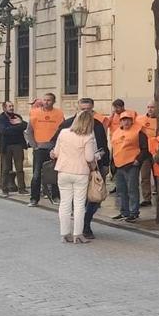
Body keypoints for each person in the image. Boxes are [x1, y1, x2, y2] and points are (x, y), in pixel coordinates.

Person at [53, 98, 109, 239]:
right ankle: (79, 233)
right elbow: (90, 157)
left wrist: (106, 163)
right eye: (83, 109)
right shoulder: (82, 133)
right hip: (82, 171)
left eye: (88, 109)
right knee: (79, 204)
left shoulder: (67, 131)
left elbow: (56, 152)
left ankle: (66, 232)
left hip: (65, 170)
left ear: (92, 109)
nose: (85, 112)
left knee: (72, 202)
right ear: (77, 110)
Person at [27, 94, 64, 206]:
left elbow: (62, 130)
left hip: (53, 148)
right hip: (39, 149)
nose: (46, 102)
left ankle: (56, 196)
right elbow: (29, 131)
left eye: (49, 100)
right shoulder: (35, 112)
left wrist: (58, 147)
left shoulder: (59, 113)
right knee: (36, 174)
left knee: (55, 173)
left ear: (54, 102)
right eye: (45, 100)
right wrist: (34, 146)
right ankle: (34, 198)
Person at [110, 113, 149, 222]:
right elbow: (114, 148)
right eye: (123, 120)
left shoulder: (138, 132)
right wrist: (112, 165)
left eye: (128, 120)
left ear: (132, 121)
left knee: (132, 189)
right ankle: (124, 212)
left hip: (131, 164)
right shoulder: (116, 132)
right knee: (121, 190)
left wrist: (138, 160)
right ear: (120, 121)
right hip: (118, 165)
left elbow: (145, 148)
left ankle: (134, 212)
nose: (125, 122)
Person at [0, 101, 28, 196]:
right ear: (4, 108)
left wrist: (18, 123)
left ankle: (22, 188)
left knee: (20, 168)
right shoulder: (1, 118)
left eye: (12, 106)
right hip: (6, 146)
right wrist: (16, 127)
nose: (11, 108)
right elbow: (3, 130)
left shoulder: (17, 117)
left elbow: (25, 126)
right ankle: (4, 188)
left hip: (18, 145)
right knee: (5, 168)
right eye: (9, 106)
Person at [137, 102, 159, 206]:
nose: (150, 109)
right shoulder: (140, 119)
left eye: (152, 107)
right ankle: (146, 198)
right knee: (145, 175)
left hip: (157, 150)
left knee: (158, 174)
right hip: (145, 151)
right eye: (148, 107)